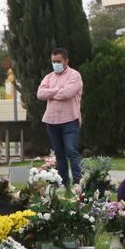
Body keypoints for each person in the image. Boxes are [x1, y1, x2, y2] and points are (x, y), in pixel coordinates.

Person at [36, 48, 84, 186]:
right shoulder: (48, 77)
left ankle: (78, 183)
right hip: (51, 121)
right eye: (53, 61)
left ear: (66, 61)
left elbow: (67, 94)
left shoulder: (75, 76)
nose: (55, 64)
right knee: (59, 154)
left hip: (70, 120)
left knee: (71, 151)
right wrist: (57, 90)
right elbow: (40, 94)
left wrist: (50, 93)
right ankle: (63, 183)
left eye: (58, 61)